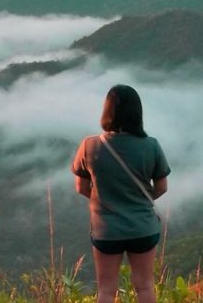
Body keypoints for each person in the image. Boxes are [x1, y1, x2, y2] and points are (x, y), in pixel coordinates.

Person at [72, 84, 170, 303]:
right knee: (144, 287)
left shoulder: (89, 146)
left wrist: (105, 201)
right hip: (142, 227)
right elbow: (162, 187)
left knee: (106, 291)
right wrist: (139, 200)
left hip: (107, 230)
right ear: (137, 112)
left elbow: (81, 187)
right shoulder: (151, 146)